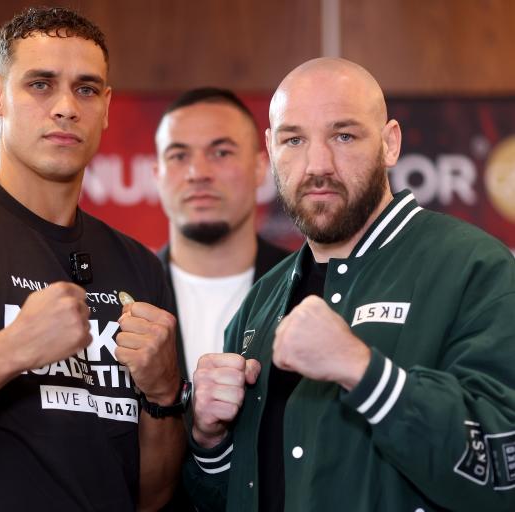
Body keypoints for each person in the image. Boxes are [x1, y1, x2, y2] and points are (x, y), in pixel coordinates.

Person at [0, 7, 186, 512]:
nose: (66, 107)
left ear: (108, 107)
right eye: (41, 85)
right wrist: (11, 350)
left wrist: (162, 395)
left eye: (87, 89)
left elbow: (151, 498)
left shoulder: (138, 266)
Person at [184, 57, 515, 512]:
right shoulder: (263, 298)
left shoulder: (473, 265)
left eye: (344, 135)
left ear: (390, 144)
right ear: (271, 148)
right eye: (294, 139)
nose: (318, 164)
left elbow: (504, 472)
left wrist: (365, 372)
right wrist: (210, 441)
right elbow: (237, 493)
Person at [153, 88, 290, 380]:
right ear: (157, 175)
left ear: (259, 168)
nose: (198, 172)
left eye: (221, 152)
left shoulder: (306, 288)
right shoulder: (126, 291)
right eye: (178, 155)